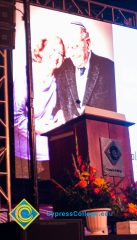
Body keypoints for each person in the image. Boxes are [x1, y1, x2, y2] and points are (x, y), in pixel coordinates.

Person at [14, 36, 66, 179]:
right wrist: (40, 129)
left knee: (47, 199)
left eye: (60, 53)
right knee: (24, 201)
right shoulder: (25, 76)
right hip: (24, 155)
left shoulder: (56, 79)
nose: (57, 55)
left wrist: (61, 112)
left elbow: (54, 108)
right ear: (41, 51)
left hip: (47, 152)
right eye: (53, 50)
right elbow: (15, 117)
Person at [55, 21, 117, 122]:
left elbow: (114, 110)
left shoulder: (108, 68)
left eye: (75, 47)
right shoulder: (61, 68)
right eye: (69, 48)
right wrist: (59, 112)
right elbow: (55, 106)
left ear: (88, 43)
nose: (72, 54)